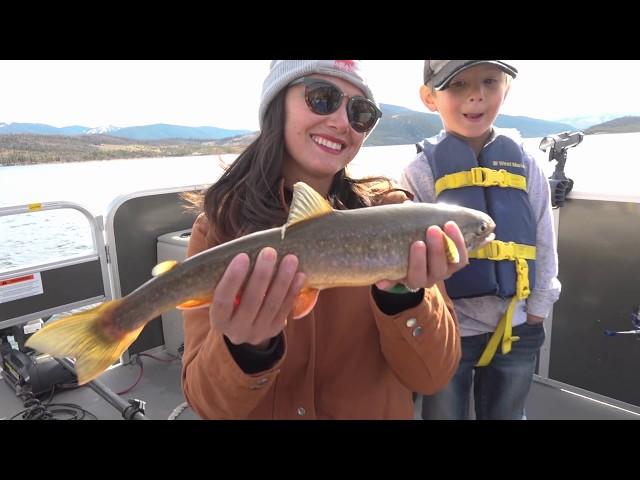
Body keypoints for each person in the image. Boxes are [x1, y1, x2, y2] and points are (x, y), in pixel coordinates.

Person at [181, 60, 467, 419]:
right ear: (276, 105)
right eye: (321, 97)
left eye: (360, 113)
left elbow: (432, 376)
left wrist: (404, 297)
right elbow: (208, 405)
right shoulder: (218, 230)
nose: (341, 122)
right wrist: (245, 350)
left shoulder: (398, 217)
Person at [400, 60, 561, 420]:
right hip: (450, 332)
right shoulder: (418, 172)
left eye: (490, 81)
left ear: (506, 89)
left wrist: (538, 310)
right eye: (458, 85)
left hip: (519, 326)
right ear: (429, 98)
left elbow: (544, 240)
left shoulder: (526, 162)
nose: (476, 95)